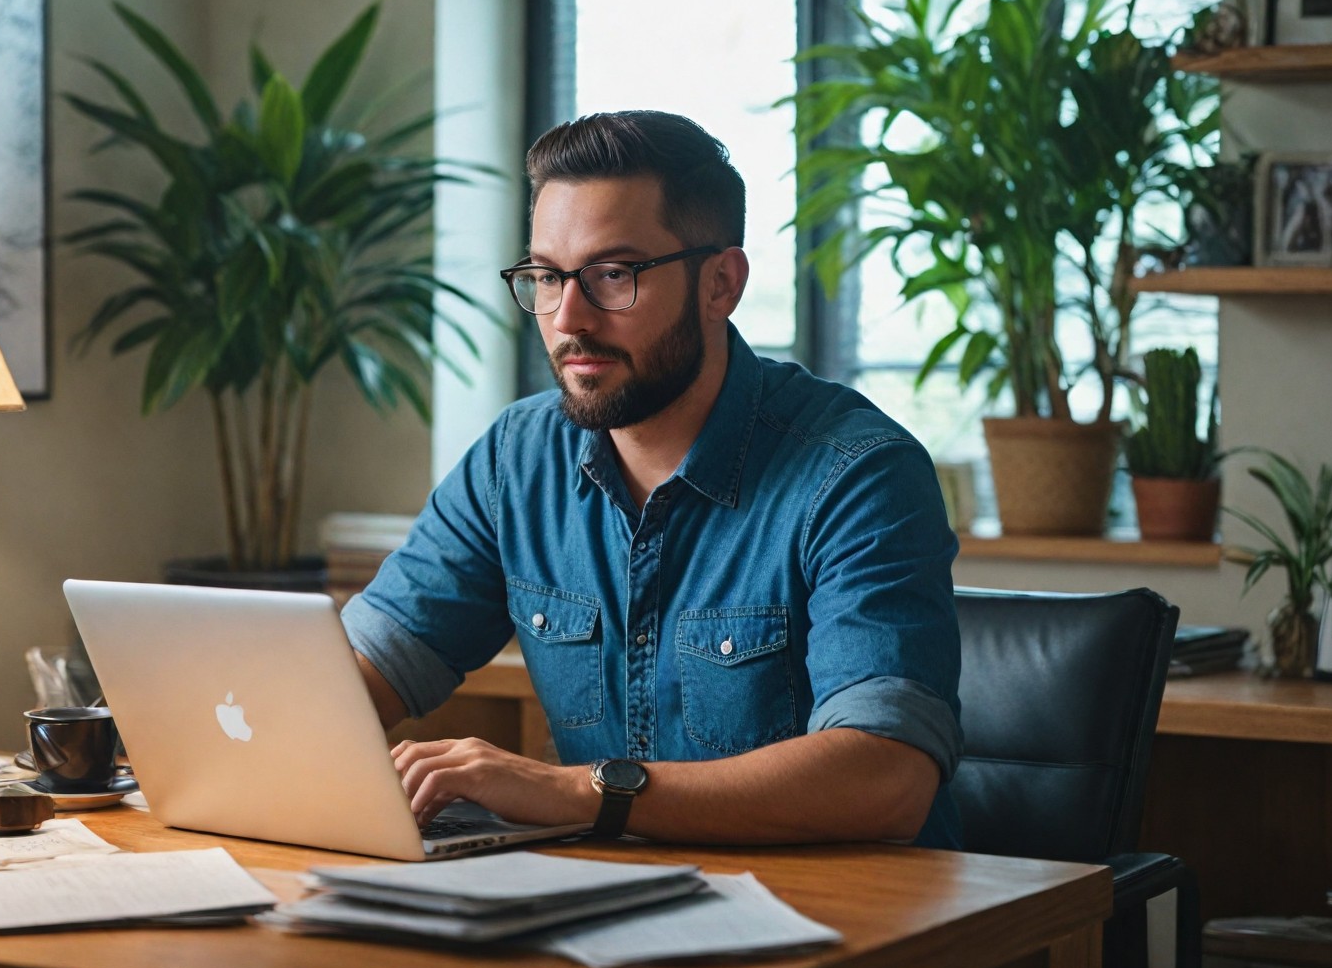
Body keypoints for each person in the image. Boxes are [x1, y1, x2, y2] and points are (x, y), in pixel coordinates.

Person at [343, 110, 963, 848]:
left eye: (613, 275)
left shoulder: (857, 473)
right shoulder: (518, 460)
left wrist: (573, 790)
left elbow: (885, 778)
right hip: (602, 914)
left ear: (721, 284)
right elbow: (352, 679)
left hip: (832, 926)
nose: (569, 317)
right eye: (545, 276)